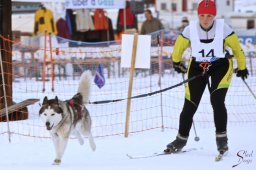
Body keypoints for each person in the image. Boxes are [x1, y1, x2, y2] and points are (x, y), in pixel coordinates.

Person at [165, 0, 249, 154]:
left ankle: (221, 139)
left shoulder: (223, 28)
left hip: (220, 66)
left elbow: (237, 48)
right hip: (198, 67)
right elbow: (178, 47)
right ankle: (180, 139)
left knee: (217, 100)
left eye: (209, 16)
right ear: (198, 15)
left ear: (214, 16)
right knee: (190, 104)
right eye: (202, 15)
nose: (205, 19)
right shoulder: (190, 29)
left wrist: (242, 67)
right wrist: (176, 63)